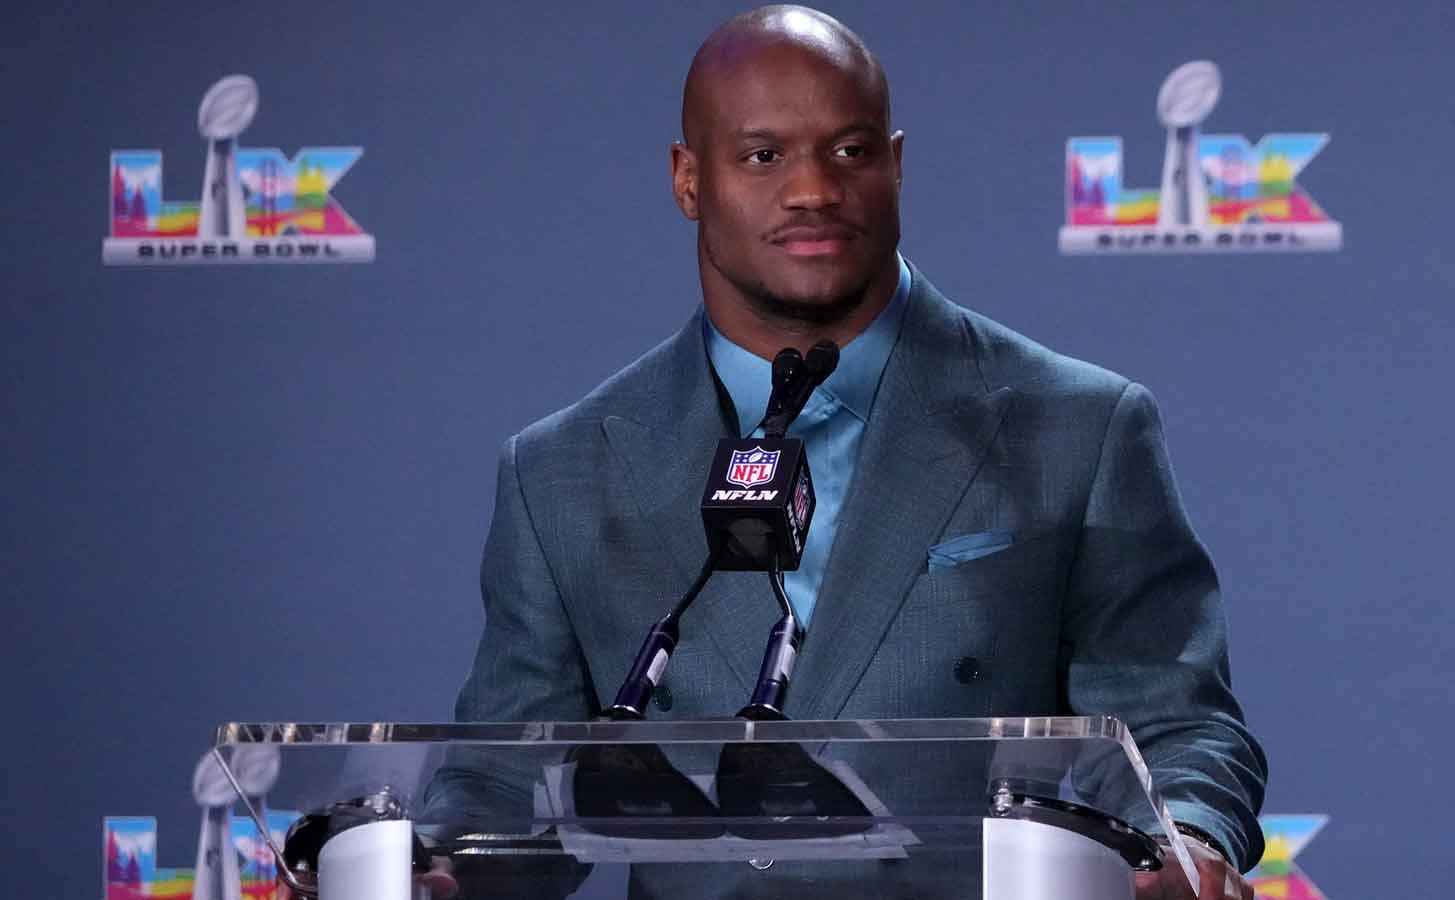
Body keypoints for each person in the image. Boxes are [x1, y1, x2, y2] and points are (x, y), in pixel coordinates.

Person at [429, 6, 1266, 898]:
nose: (814, 191)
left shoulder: (1081, 428)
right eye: (763, 156)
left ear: (896, 165)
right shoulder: (560, 471)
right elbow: (507, 786)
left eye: (850, 152)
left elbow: (1175, 729)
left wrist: (1184, 843)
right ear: (687, 179)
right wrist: (427, 872)